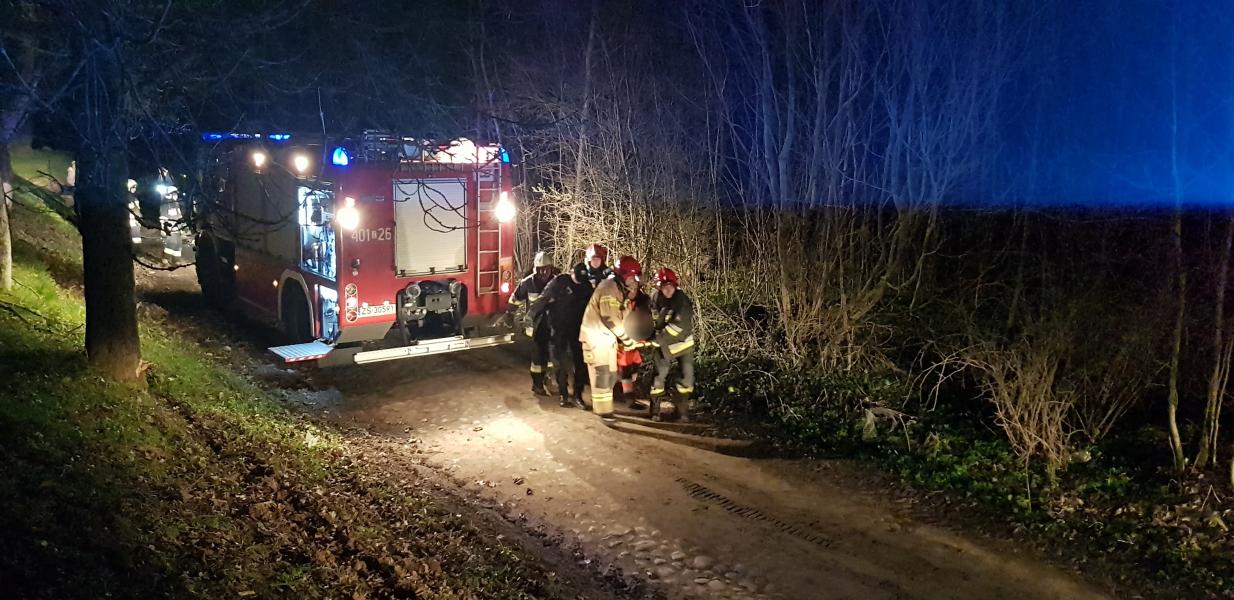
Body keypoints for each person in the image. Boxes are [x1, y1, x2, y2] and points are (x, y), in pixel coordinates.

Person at [580, 255, 642, 420]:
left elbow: (625, 318)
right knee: (603, 374)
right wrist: (627, 340)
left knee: (612, 375)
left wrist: (633, 336)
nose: (634, 281)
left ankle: (605, 409)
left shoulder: (620, 290)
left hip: (606, 339)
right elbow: (611, 319)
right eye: (632, 277)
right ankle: (603, 411)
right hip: (595, 338)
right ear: (623, 275)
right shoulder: (609, 288)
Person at [530, 262, 594, 408]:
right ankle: (563, 394)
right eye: (577, 279)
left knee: (580, 362)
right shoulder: (559, 282)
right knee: (560, 362)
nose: (579, 282)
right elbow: (543, 299)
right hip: (558, 328)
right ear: (572, 273)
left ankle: (578, 395)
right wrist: (531, 316)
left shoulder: (586, 286)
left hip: (577, 329)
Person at [506, 251, 559, 395]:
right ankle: (537, 384)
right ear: (535, 269)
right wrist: (509, 314)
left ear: (551, 268)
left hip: (552, 325)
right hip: (535, 327)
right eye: (540, 269)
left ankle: (549, 379)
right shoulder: (528, 283)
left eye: (546, 269)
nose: (543, 272)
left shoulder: (557, 282)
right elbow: (515, 298)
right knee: (538, 358)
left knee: (551, 356)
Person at [649, 268, 695, 421]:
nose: (667, 290)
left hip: (683, 345)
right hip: (663, 346)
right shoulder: (655, 298)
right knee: (658, 378)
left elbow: (679, 326)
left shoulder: (682, 301)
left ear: (675, 285)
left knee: (686, 379)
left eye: (670, 286)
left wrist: (658, 338)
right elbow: (651, 318)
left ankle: (681, 412)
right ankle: (655, 411)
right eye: (664, 287)